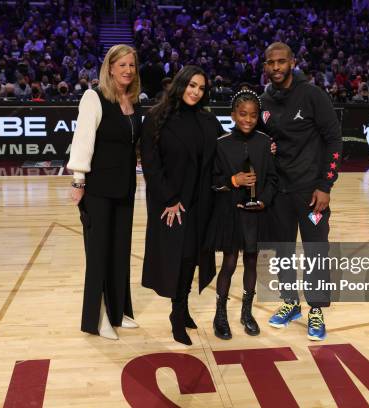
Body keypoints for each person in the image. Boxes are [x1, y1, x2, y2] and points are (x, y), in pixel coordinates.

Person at [260, 42, 342, 341]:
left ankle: (316, 309)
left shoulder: (312, 95)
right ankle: (290, 303)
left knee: (315, 252)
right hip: (279, 191)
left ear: (292, 62)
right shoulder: (265, 99)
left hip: (310, 192)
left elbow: (334, 140)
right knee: (282, 250)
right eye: (271, 63)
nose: (277, 67)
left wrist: (325, 185)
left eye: (282, 62)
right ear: (265, 66)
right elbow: (261, 139)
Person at [141, 65, 224, 346]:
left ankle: (183, 308)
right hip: (172, 204)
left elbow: (228, 149)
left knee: (191, 258)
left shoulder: (207, 120)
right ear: (180, 84)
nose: (196, 92)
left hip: (201, 202)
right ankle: (176, 316)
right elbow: (151, 166)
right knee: (177, 259)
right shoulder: (156, 118)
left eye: (201, 88)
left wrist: (263, 146)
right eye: (192, 85)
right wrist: (170, 199)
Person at [66, 44, 143, 340]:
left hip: (125, 188)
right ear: (109, 68)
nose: (127, 70)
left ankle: (117, 312)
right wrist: (78, 181)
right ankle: (96, 319)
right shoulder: (93, 97)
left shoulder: (134, 101)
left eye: (132, 65)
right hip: (98, 189)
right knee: (98, 254)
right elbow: (82, 140)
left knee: (120, 251)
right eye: (122, 65)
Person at [206, 89, 278, 340]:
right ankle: (220, 314)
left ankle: (247, 313)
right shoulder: (221, 144)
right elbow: (213, 180)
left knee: (251, 261)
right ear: (233, 115)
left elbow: (272, 178)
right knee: (229, 262)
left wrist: (263, 200)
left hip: (256, 215)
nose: (248, 119)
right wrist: (233, 181)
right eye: (243, 114)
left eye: (253, 115)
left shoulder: (264, 142)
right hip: (231, 213)